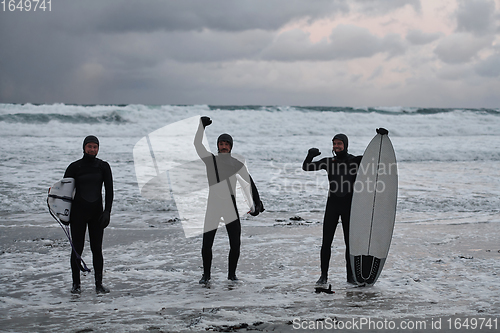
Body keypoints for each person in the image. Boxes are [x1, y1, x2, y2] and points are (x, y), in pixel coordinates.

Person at [194, 116, 264, 284]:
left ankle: (231, 275)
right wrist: (201, 127)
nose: (223, 146)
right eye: (221, 144)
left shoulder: (235, 164)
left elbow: (249, 182)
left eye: (226, 144)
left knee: (235, 244)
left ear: (230, 147)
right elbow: (198, 145)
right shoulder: (211, 161)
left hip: (230, 207)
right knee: (207, 244)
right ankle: (206, 275)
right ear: (218, 146)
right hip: (213, 206)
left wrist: (258, 202)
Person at [64, 135, 113, 294]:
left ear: (98, 148)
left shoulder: (103, 167)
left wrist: (107, 212)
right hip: (77, 213)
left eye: (95, 147)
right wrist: (64, 215)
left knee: (96, 249)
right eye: (89, 146)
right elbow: (65, 192)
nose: (92, 149)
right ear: (84, 147)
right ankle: (76, 285)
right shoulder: (74, 167)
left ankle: (99, 285)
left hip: (96, 214)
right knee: (77, 249)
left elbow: (110, 191)